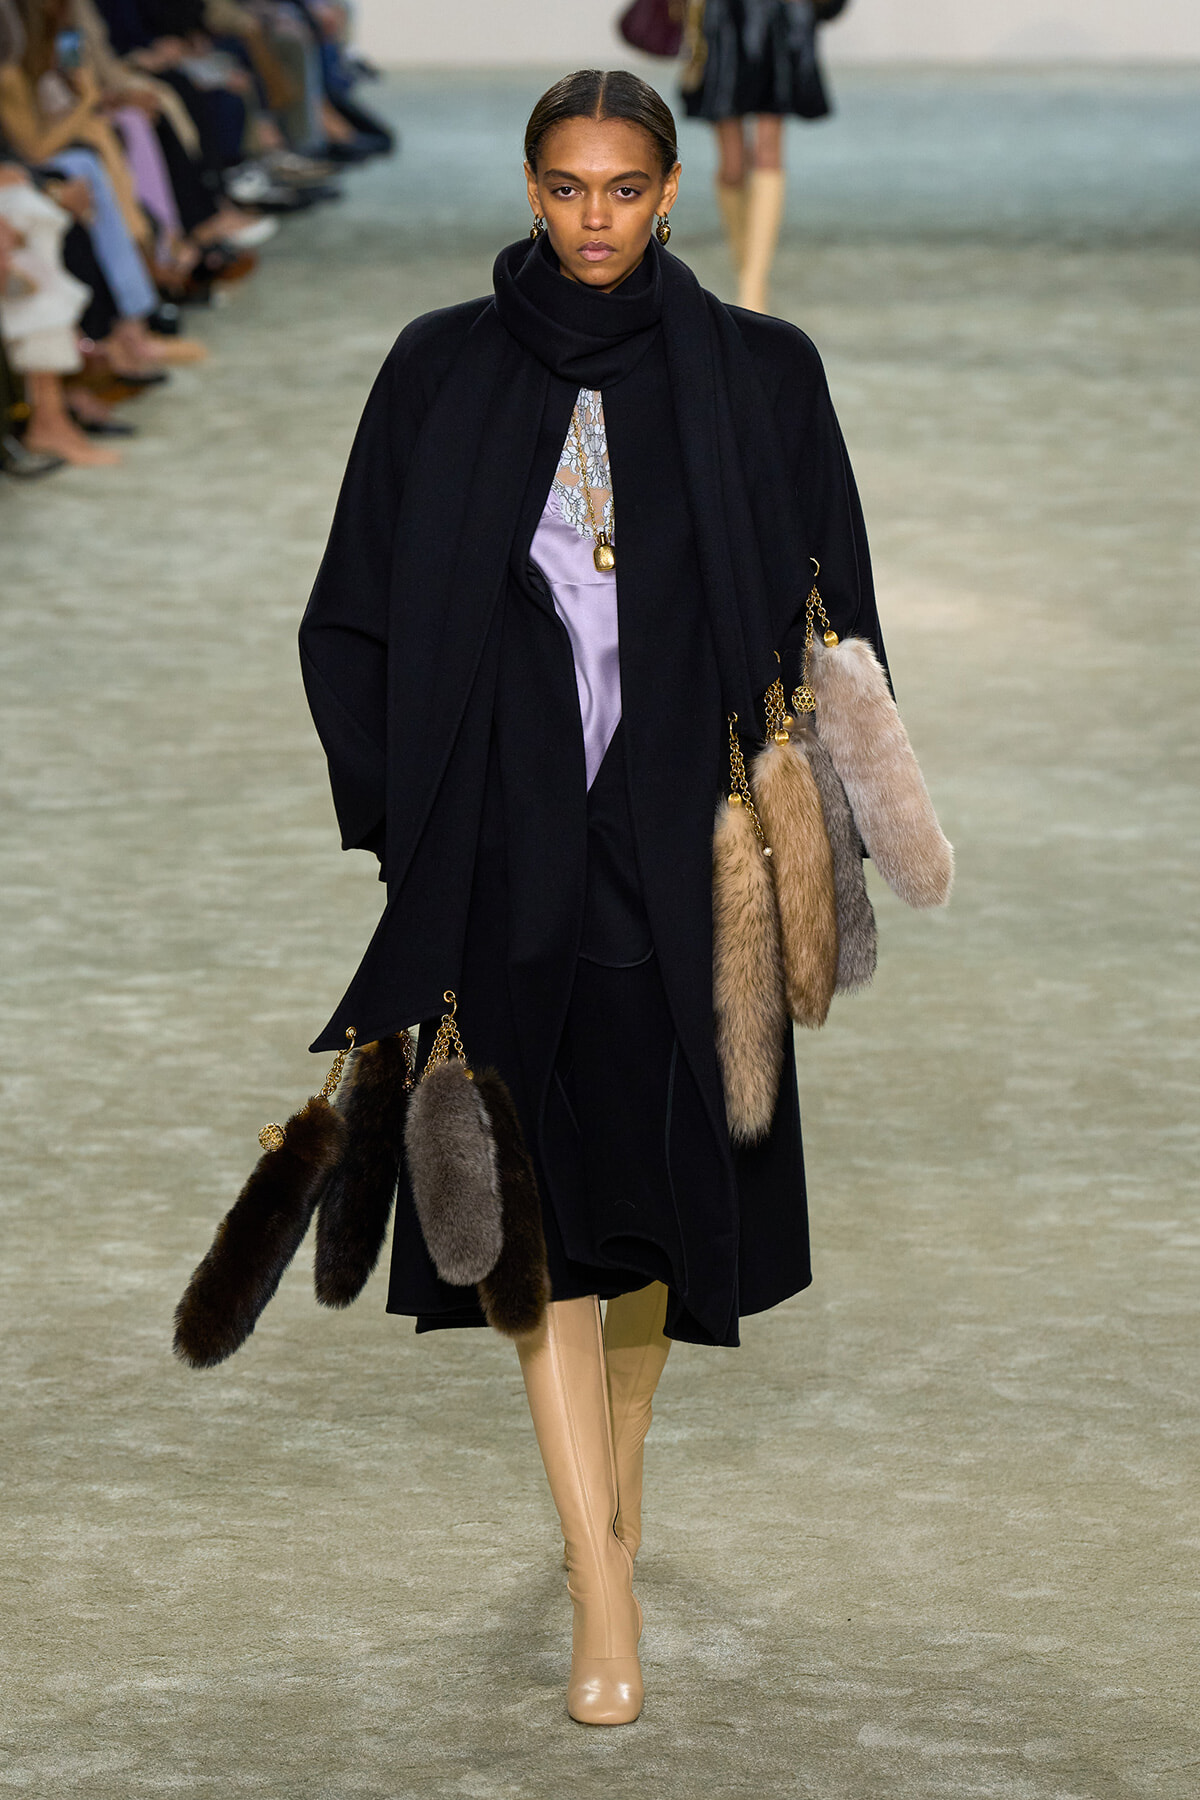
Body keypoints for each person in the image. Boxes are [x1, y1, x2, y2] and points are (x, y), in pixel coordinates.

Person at [299, 67, 884, 1726]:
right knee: (535, 1213)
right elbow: (353, 608)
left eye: (627, 186)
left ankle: (604, 1506)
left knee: (647, 1216)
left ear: (674, 185)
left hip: (692, 857)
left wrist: (821, 831)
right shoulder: (444, 371)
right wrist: (412, 822)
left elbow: (836, 615)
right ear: (532, 186)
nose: (599, 216)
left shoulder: (760, 375)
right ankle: (601, 1576)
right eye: (569, 186)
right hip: (507, 849)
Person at [681, 0, 847, 312]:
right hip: (723, 16)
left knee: (767, 149)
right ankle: (746, 273)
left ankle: (752, 285)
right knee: (731, 164)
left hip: (779, 13)